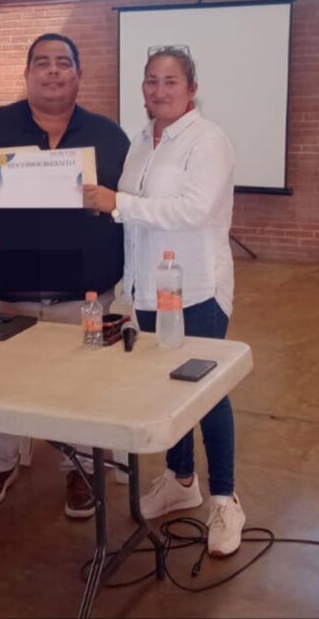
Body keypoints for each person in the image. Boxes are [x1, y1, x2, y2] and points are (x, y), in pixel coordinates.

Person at [0, 33, 130, 519]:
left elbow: (132, 201)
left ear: (78, 75)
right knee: (0, 383)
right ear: (27, 74)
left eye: (63, 62)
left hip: (83, 295)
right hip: (3, 292)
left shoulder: (110, 137)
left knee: (82, 383)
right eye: (42, 62)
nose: (53, 70)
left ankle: (82, 469)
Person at [83, 45, 246, 556]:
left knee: (207, 392)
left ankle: (225, 500)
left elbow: (192, 211)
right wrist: (129, 286)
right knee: (164, 388)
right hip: (149, 290)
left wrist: (118, 202)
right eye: (151, 81)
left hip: (195, 288)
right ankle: (180, 481)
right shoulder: (141, 141)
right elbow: (135, 223)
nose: (160, 90)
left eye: (171, 81)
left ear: (192, 88)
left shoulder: (208, 141)